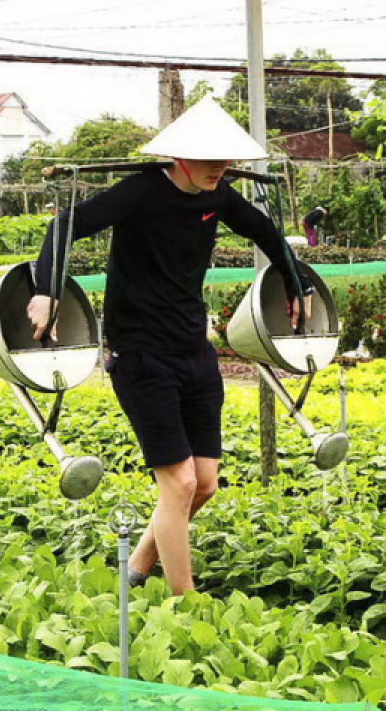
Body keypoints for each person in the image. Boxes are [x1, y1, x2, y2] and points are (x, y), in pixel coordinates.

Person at [27, 99, 314, 596]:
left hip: (194, 353)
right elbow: (64, 225)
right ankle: (187, 605)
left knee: (203, 484)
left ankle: (135, 566)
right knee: (178, 485)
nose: (219, 169)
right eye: (208, 159)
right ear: (178, 157)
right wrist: (47, 289)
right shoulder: (139, 192)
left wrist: (296, 285)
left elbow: (267, 232)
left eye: (225, 160)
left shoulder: (219, 196)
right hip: (140, 357)